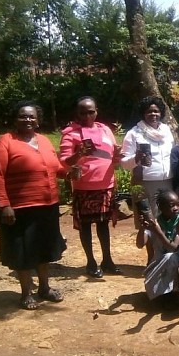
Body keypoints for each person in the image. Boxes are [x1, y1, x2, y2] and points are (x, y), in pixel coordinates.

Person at [0, 101, 66, 310]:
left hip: (48, 206)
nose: (28, 120)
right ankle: (26, 293)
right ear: (15, 118)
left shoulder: (45, 141)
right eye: (23, 116)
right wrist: (4, 205)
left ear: (38, 120)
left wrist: (69, 172)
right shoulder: (4, 143)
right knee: (22, 252)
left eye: (32, 117)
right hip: (20, 208)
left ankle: (44, 288)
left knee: (44, 249)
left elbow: (56, 168)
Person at [60, 96, 122, 278]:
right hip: (84, 187)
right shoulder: (71, 133)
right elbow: (64, 162)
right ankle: (90, 262)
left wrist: (118, 156)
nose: (87, 115)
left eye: (91, 111)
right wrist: (78, 153)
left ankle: (107, 260)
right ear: (76, 113)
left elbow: (113, 155)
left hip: (106, 184)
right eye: (82, 112)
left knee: (103, 225)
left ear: (97, 111)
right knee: (86, 226)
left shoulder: (105, 130)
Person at [121, 96, 175, 218]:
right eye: (149, 111)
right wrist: (136, 158)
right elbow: (124, 163)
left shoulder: (166, 131)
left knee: (166, 218)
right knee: (147, 221)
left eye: (156, 111)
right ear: (143, 114)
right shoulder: (134, 133)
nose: (153, 114)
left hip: (167, 182)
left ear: (161, 113)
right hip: (144, 183)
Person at [137, 189, 179, 310]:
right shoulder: (155, 222)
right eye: (171, 206)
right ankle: (165, 293)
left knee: (170, 257)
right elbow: (140, 244)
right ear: (160, 207)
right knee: (163, 261)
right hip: (159, 262)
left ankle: (175, 293)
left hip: (178, 260)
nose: (176, 208)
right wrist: (142, 227)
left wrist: (157, 231)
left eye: (177, 204)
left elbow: (172, 247)